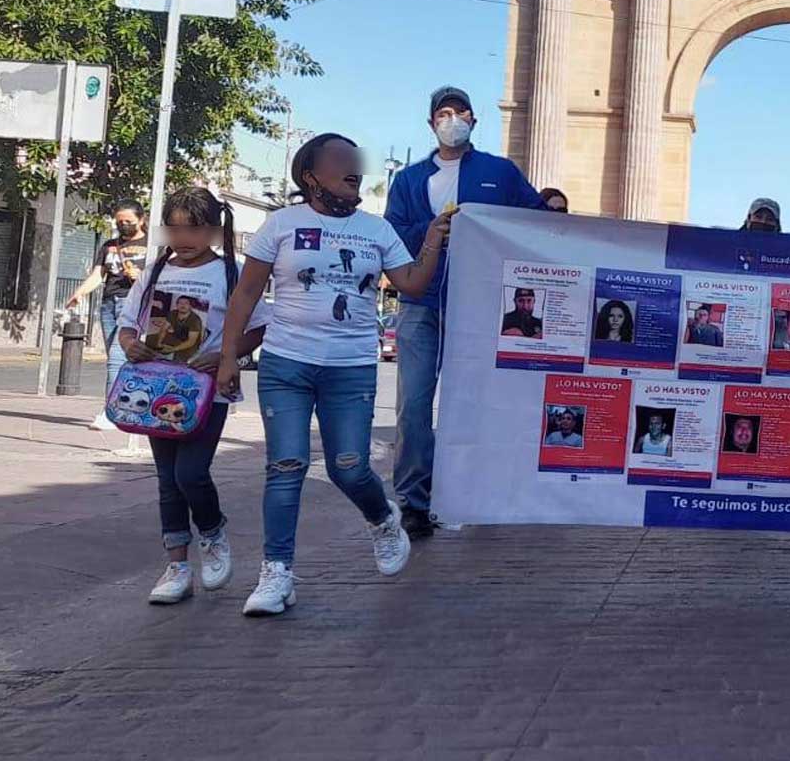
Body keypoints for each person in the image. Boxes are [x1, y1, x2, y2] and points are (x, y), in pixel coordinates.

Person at [219, 132, 453, 617]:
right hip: (286, 364)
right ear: (310, 175)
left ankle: (382, 518)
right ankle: (276, 573)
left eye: (357, 161)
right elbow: (245, 294)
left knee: (349, 466)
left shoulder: (376, 229)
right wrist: (228, 358)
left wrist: (430, 241)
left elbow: (410, 282)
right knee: (285, 466)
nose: (355, 167)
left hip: (349, 367)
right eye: (342, 160)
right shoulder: (280, 224)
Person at [385, 85, 548, 540]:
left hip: (480, 304)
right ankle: (414, 500)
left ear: (474, 121)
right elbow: (393, 234)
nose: (452, 118)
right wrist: (437, 229)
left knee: (479, 404)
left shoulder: (501, 172)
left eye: (460, 112)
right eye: (443, 112)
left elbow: (535, 220)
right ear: (431, 122)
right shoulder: (409, 180)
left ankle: (479, 491)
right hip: (421, 302)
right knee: (414, 405)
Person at [118, 188, 269, 605]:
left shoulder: (231, 274)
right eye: (175, 227)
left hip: (206, 392)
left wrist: (224, 355)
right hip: (154, 388)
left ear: (215, 230)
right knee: (167, 481)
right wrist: (131, 344)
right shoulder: (153, 273)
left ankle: (213, 532)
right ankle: (177, 565)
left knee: (191, 474)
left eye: (194, 228)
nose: (183, 238)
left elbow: (258, 328)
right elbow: (129, 324)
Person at [67, 199, 149, 421]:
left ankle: (111, 411)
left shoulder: (152, 246)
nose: (123, 225)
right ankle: (128, 404)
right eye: (119, 221)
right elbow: (98, 274)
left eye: (128, 221)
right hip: (109, 303)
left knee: (116, 357)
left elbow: (160, 279)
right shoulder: (109, 246)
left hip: (132, 304)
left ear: (141, 220)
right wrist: (80, 292)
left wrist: (140, 278)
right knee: (120, 359)